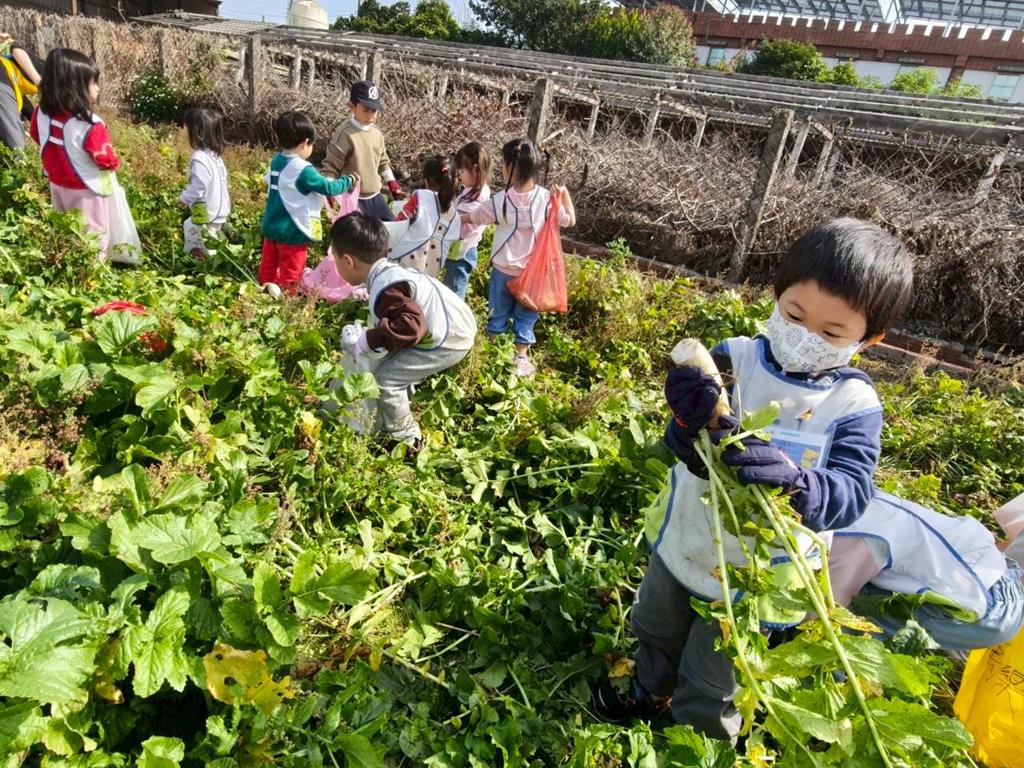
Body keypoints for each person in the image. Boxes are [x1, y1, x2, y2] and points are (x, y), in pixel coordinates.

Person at [593, 218, 914, 738]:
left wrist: (797, 482)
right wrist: (684, 422)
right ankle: (647, 687)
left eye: (831, 333)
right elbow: (686, 446)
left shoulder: (852, 405)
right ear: (777, 295)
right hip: (690, 536)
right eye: (794, 315)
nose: (805, 337)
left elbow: (852, 493)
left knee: (717, 668)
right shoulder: (734, 357)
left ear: (870, 338)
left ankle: (698, 737)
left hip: (761, 571)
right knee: (658, 624)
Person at [331, 211, 476, 452]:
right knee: (392, 361)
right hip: (457, 322)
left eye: (335, 259)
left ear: (348, 261)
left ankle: (409, 442)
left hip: (449, 340)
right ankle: (391, 416)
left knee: (387, 381)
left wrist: (366, 340)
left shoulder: (386, 288)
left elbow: (411, 326)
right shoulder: (389, 271)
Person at [830, 490, 1024, 653]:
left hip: (986, 601)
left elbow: (831, 604)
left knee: (845, 621)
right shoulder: (853, 499)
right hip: (990, 581)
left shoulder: (854, 536)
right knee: (857, 614)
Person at [461, 137, 575, 377]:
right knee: (526, 316)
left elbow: (475, 217)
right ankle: (520, 359)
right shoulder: (546, 199)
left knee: (497, 313)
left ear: (511, 168)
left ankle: (492, 355)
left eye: (504, 164)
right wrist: (564, 195)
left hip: (502, 269)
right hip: (532, 274)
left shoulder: (501, 200)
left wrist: (452, 218)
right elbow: (569, 220)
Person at [29, 48, 120, 256]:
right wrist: (115, 162)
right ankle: (94, 269)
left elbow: (36, 135)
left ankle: (66, 258)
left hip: (56, 182)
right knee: (93, 232)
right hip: (86, 187)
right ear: (75, 87)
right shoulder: (90, 124)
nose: (97, 88)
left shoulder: (41, 112)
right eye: (93, 83)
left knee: (65, 226)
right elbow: (105, 160)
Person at [259, 110, 357, 296]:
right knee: (291, 271)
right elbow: (328, 187)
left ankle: (264, 292)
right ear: (305, 143)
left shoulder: (277, 160)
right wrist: (349, 180)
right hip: (293, 230)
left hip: (272, 225)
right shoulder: (303, 169)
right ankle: (288, 299)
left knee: (269, 267)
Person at [321, 80, 404, 221]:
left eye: (374, 111)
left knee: (391, 228)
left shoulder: (377, 133)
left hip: (375, 196)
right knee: (357, 234)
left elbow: (383, 162)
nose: (370, 116)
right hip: (351, 198)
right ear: (352, 106)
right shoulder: (345, 134)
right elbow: (331, 167)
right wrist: (329, 193)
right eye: (366, 110)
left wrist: (391, 183)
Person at [389, 154, 459, 278]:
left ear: (426, 181)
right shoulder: (455, 216)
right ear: (454, 181)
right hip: (429, 275)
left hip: (403, 267)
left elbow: (399, 222)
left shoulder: (420, 198)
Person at [179, 107, 230, 259]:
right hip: (217, 210)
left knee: (202, 242)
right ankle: (204, 261)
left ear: (196, 132)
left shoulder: (199, 157)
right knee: (202, 235)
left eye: (185, 126)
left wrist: (184, 198)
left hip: (206, 212)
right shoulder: (214, 157)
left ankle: (203, 264)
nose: (182, 129)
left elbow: (199, 185)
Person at [443, 141, 492, 298]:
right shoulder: (473, 189)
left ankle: (454, 315)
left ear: (475, 170)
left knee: (454, 294)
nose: (459, 175)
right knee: (450, 290)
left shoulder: (478, 196)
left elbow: (466, 223)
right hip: (458, 250)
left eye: (462, 171)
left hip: (462, 252)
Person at [0, 34, 42, 149]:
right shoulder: (49, 72)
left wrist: (36, 121)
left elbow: (23, 102)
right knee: (17, 147)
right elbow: (15, 48)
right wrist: (38, 81)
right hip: (2, 81)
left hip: (5, 83)